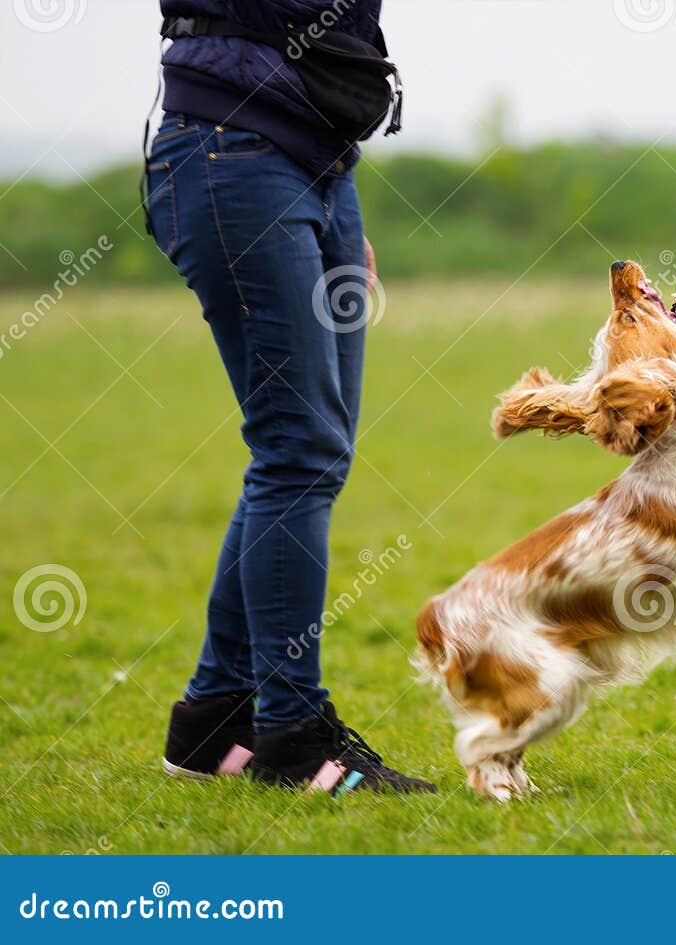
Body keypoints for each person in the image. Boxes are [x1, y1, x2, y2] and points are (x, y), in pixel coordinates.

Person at [147, 0, 433, 793]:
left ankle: (212, 723)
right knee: (298, 450)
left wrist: (330, 213)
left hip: (317, 167)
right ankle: (293, 736)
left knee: (308, 451)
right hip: (230, 153)